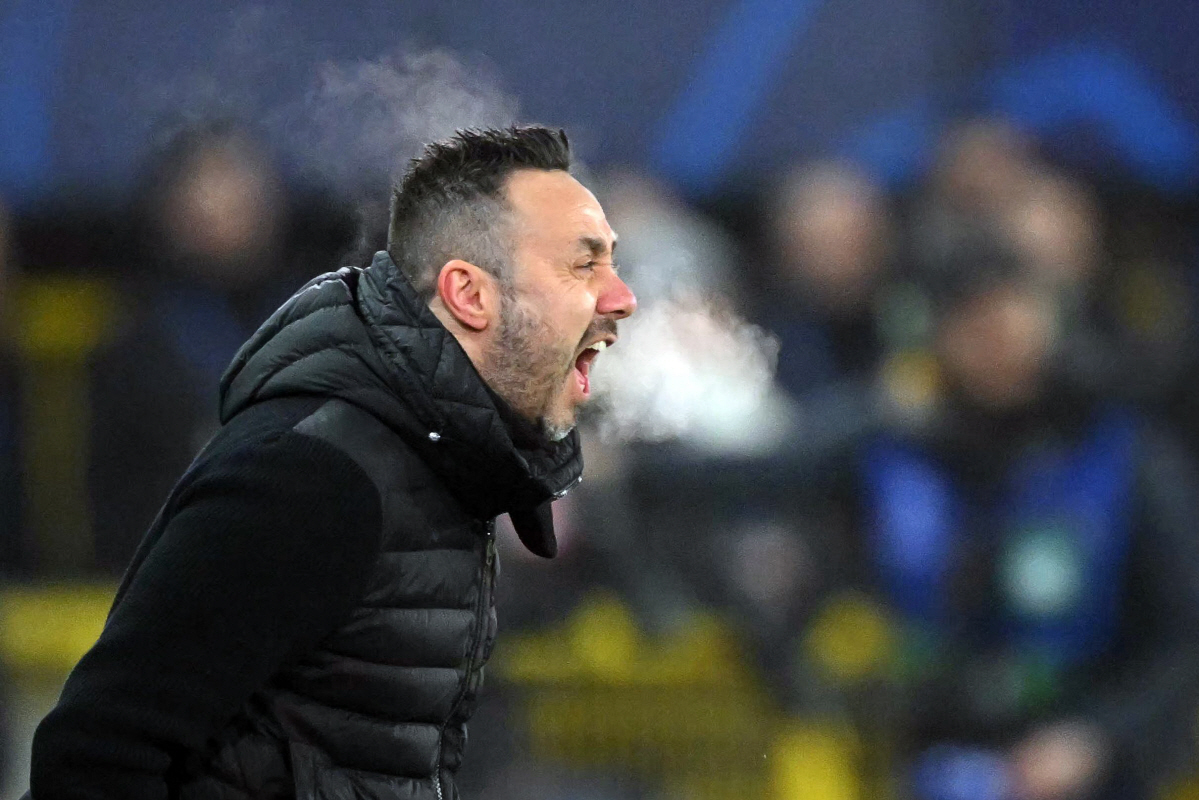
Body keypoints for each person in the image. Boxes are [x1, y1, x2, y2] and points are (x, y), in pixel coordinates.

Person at [27, 125, 636, 799]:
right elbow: (97, 754)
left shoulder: (443, 474)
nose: (620, 300)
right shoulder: (318, 475)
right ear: (470, 296)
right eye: (578, 268)